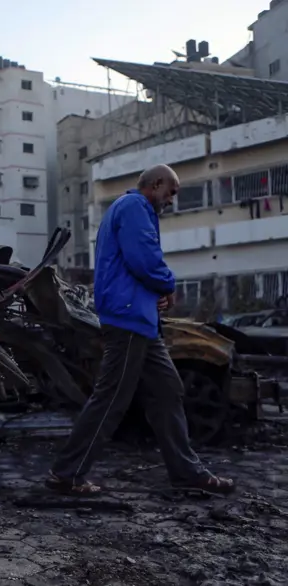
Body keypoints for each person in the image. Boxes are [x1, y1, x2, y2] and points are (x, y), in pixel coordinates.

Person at [46, 164, 235, 496]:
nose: (173, 200)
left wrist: (155, 295)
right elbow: (143, 259)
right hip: (128, 318)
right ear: (156, 184)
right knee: (112, 398)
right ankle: (67, 473)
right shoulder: (135, 207)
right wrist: (167, 285)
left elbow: (134, 264)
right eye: (172, 192)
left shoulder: (130, 209)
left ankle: (186, 471)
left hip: (140, 319)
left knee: (168, 390)